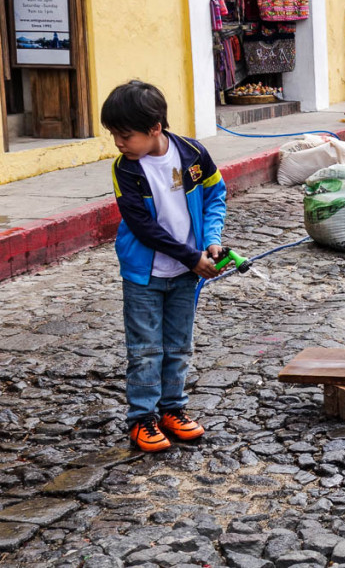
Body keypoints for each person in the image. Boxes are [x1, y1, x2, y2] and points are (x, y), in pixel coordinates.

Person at [101, 81, 226, 452]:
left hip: (186, 274)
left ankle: (173, 409)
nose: (119, 144)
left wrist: (212, 240)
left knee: (178, 346)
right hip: (145, 275)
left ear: (155, 128)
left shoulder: (192, 153)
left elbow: (215, 195)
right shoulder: (125, 169)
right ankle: (142, 419)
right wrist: (193, 257)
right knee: (144, 349)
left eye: (125, 135)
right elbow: (143, 227)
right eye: (114, 136)